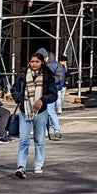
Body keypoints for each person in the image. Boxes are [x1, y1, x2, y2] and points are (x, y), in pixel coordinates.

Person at [9, 51, 58, 179]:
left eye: (37, 61)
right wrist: (19, 98)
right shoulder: (23, 76)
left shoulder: (48, 77)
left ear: (42, 63)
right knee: (23, 140)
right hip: (25, 110)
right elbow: (14, 89)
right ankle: (21, 166)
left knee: (39, 140)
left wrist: (43, 100)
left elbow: (54, 94)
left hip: (40, 112)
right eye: (32, 61)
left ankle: (38, 165)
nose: (34, 64)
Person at [48, 54, 68, 140]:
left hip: (53, 90)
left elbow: (61, 77)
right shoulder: (43, 65)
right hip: (47, 91)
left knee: (50, 111)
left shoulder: (56, 66)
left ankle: (56, 130)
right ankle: (46, 132)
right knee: (45, 113)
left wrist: (48, 79)